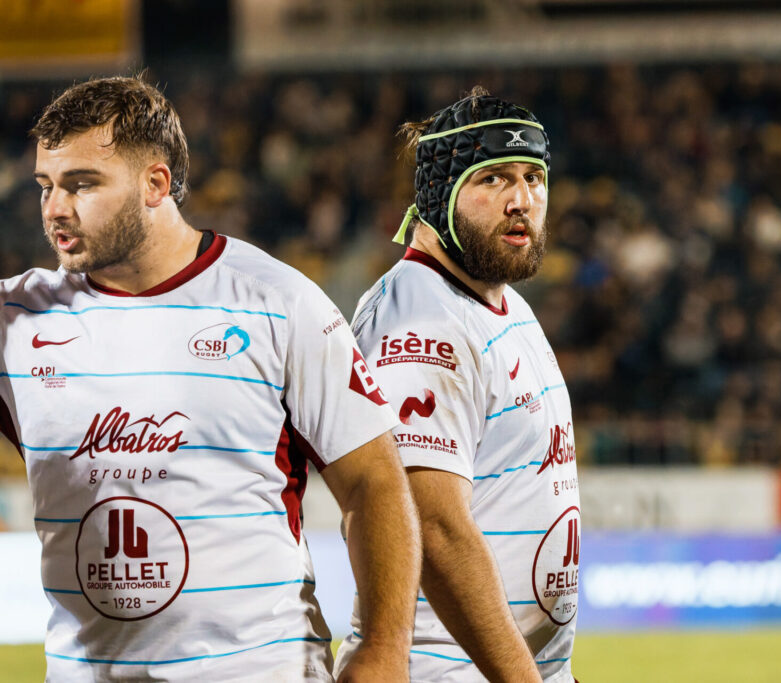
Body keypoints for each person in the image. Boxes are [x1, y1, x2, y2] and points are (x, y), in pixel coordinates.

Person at [0, 76, 420, 682]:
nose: (55, 208)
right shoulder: (16, 320)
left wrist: (383, 648)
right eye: (47, 186)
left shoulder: (279, 303)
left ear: (155, 184)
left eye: (82, 184)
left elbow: (373, 483)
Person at [336, 86, 581, 682]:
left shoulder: (502, 303)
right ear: (439, 194)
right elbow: (435, 529)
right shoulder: (420, 324)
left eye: (534, 178)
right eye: (494, 179)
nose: (523, 200)